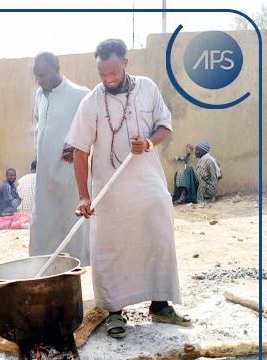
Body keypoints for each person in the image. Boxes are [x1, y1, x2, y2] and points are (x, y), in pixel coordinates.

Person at [66, 38, 191, 339]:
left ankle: (160, 305)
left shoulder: (147, 88)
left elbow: (165, 125)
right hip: (110, 192)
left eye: (113, 72)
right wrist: (84, 194)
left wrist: (148, 142)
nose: (108, 79)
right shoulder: (92, 102)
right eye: (102, 74)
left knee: (158, 237)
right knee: (111, 249)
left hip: (148, 184)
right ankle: (113, 311)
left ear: (125, 62)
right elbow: (80, 151)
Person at [30, 51, 92, 264]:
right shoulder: (39, 95)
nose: (39, 80)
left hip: (69, 171)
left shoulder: (80, 94)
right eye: (36, 76)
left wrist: (78, 147)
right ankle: (45, 265)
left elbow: (95, 127)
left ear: (57, 69)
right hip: (45, 172)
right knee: (45, 221)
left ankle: (76, 265)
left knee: (71, 220)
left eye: (43, 75)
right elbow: (39, 127)